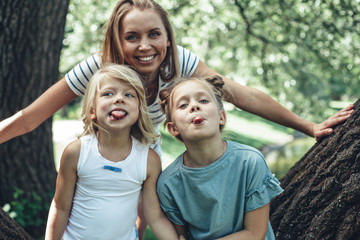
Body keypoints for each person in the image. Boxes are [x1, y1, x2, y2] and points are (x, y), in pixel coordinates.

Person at [0, 0, 354, 148]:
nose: (144, 46)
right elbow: (29, 118)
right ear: (116, 42)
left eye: (154, 34)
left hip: (145, 154)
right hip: (103, 154)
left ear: (167, 38)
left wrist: (307, 127)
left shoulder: (179, 63)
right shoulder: (98, 68)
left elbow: (241, 95)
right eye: (132, 37)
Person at [44, 64, 180, 240]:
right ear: (92, 110)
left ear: (139, 110)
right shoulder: (76, 152)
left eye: (129, 95)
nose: (119, 99)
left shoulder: (148, 160)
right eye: (108, 94)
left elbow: (155, 216)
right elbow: (60, 207)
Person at [157, 75, 284, 240]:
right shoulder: (168, 184)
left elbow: (254, 234)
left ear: (221, 117)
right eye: (183, 105)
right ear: (173, 128)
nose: (194, 106)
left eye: (203, 101)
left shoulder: (250, 162)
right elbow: (181, 237)